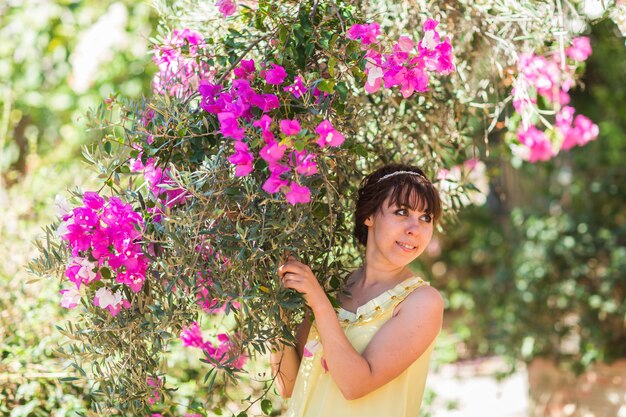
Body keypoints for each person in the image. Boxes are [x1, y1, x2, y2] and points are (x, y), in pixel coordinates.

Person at [270, 164, 444, 417]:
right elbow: (288, 384)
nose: (414, 228)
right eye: (402, 211)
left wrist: (319, 302)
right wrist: (274, 306)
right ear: (369, 216)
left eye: (425, 218)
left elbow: (355, 385)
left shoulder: (422, 302)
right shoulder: (333, 285)